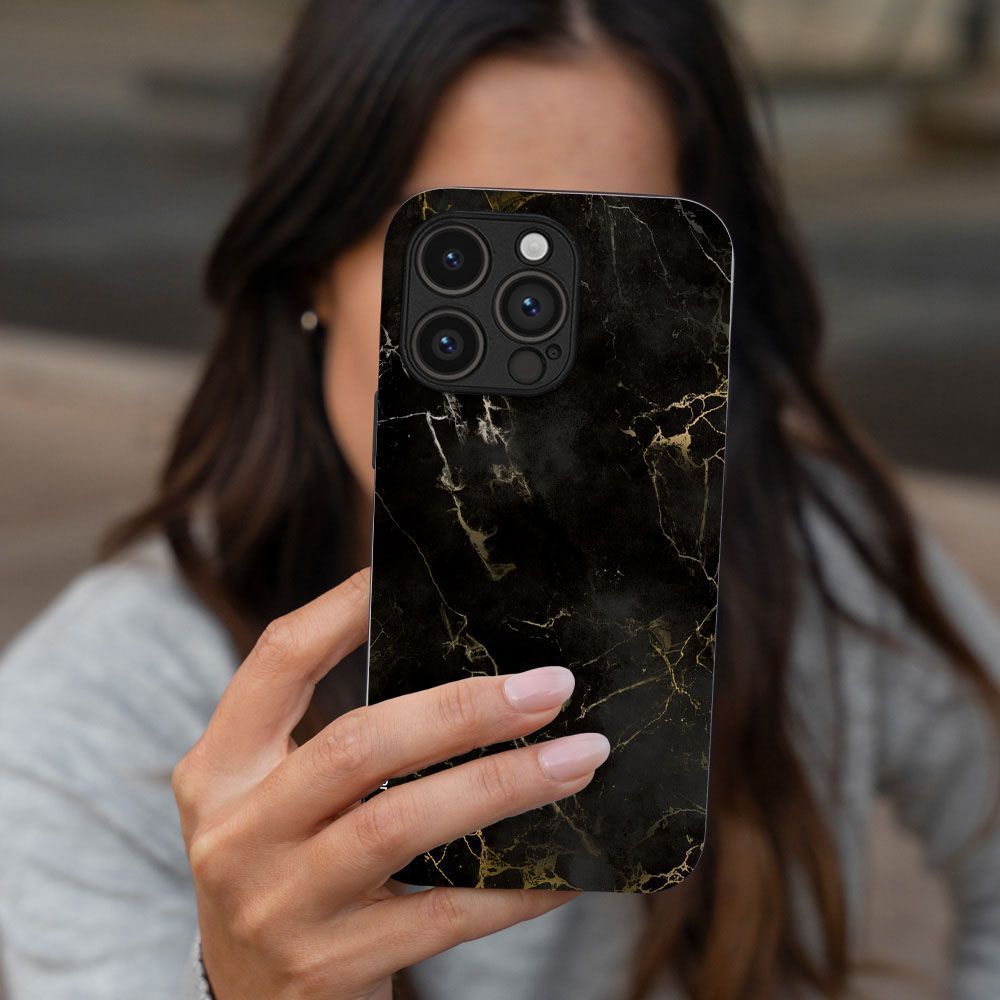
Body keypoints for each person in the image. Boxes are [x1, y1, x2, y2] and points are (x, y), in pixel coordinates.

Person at [1, 2, 998, 998]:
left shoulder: (814, 558)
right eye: (464, 266)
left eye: (615, 260)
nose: (541, 390)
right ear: (313, 266)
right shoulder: (97, 708)